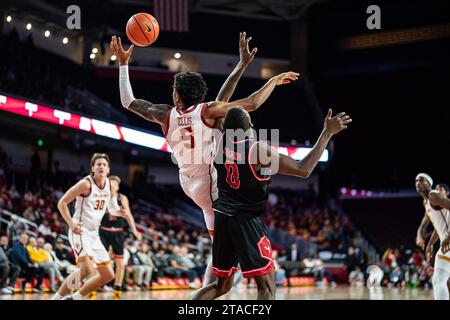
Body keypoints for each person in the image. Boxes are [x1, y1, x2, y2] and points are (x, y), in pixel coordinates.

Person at [110, 32, 299, 287]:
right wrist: (273, 81)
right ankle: (210, 291)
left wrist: (123, 64)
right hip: (210, 184)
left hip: (187, 182)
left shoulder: (164, 113)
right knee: (222, 252)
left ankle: (212, 288)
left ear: (177, 97)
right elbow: (252, 104)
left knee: (220, 248)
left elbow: (128, 101)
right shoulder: (208, 112)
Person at [192, 107, 351, 300]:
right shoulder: (256, 149)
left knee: (220, 286)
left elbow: (220, 114)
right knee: (266, 287)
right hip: (246, 221)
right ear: (250, 125)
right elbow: (304, 169)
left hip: (223, 218)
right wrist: (327, 133)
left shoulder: (218, 143)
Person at [50, 153, 115, 300]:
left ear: (108, 169)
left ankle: (75, 298)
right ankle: (56, 298)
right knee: (86, 270)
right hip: (80, 230)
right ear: (92, 168)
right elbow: (62, 202)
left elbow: (110, 208)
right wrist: (71, 224)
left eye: (104, 165)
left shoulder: (109, 185)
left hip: (94, 233)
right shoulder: (86, 184)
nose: (101, 167)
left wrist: (119, 212)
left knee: (108, 274)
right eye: (98, 164)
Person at [99, 175, 142, 299]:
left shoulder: (122, 198)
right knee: (99, 261)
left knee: (120, 263)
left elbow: (128, 215)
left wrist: (135, 231)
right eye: (110, 184)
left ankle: (117, 290)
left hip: (117, 232)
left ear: (117, 187)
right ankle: (96, 286)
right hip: (103, 231)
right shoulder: (101, 196)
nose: (112, 186)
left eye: (114, 184)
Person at [415, 173, 450, 299]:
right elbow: (426, 225)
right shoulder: (426, 202)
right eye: (416, 181)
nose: (418, 182)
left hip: (448, 243)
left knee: (439, 280)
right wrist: (427, 242)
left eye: (421, 180)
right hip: (445, 246)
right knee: (438, 280)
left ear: (429, 184)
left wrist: (448, 237)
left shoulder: (433, 196)